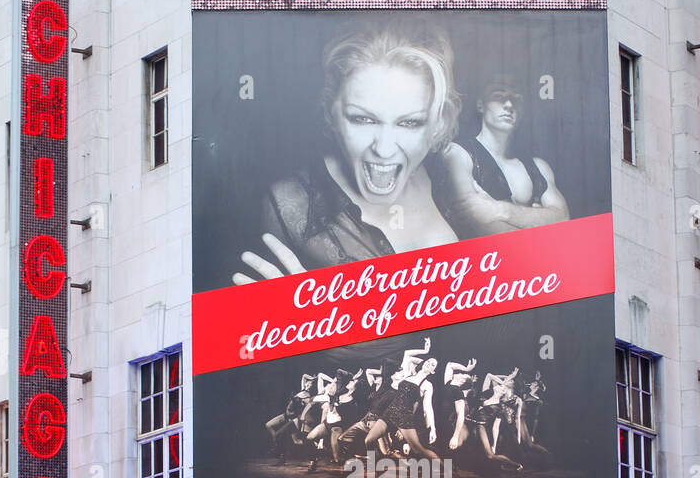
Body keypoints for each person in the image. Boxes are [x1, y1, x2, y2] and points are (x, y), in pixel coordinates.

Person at [232, 24, 462, 284]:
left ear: (438, 124)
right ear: (331, 115)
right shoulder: (292, 205)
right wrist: (302, 319)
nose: (384, 149)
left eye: (409, 123)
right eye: (362, 119)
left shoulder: (453, 173)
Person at [441, 78, 569, 240]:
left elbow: (563, 218)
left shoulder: (538, 167)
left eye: (516, 99)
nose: (509, 105)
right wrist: (538, 221)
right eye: (499, 96)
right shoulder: (458, 154)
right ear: (481, 105)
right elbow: (473, 223)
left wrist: (499, 209)